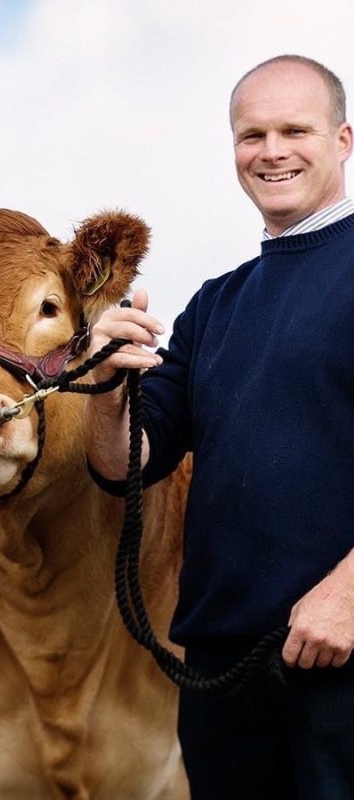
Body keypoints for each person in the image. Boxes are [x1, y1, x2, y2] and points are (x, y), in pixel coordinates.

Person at [85, 55, 354, 798]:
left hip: (345, 663)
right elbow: (126, 464)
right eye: (251, 134)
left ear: (344, 139)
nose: (271, 151)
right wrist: (107, 380)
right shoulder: (215, 304)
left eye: (294, 129)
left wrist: (350, 593)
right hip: (222, 674)